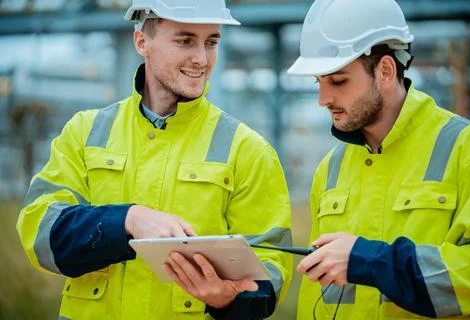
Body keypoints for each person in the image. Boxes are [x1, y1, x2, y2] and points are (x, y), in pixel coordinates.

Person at [16, 1, 293, 319]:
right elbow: (41, 233)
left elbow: (272, 267)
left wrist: (228, 300)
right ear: (142, 42)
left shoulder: (248, 149)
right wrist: (127, 220)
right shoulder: (84, 132)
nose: (201, 59)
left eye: (211, 42)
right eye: (185, 40)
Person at [287, 0, 470, 319]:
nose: (324, 100)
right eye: (318, 82)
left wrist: (371, 261)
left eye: (338, 81)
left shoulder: (468, 149)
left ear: (386, 71)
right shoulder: (330, 169)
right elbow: (318, 297)